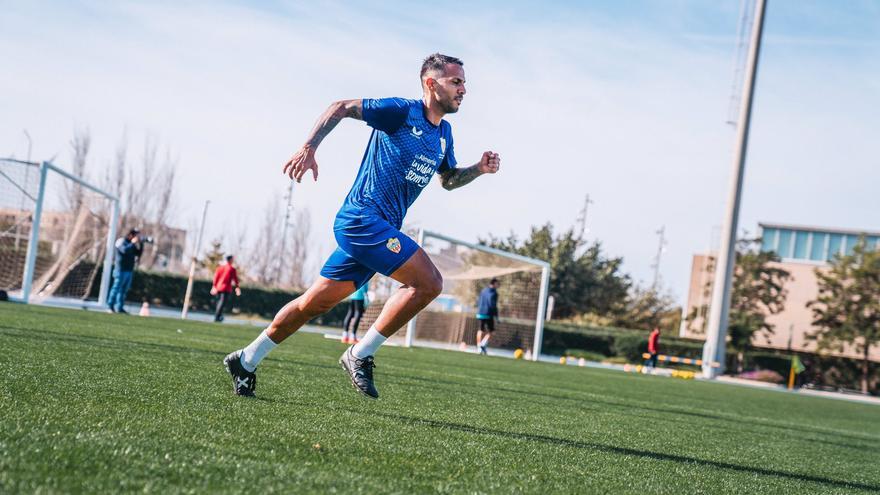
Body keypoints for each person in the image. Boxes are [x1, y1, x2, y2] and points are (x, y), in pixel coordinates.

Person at [224, 53, 500, 399]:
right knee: (429, 283)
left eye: (464, 82)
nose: (464, 89)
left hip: (376, 231)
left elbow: (447, 179)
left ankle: (246, 359)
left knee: (314, 304)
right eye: (456, 82)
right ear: (431, 84)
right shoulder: (400, 111)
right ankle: (360, 353)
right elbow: (340, 106)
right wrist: (309, 147)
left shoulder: (444, 133)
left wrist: (478, 169)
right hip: (361, 219)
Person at [107, 228, 143, 314]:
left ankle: (120, 307)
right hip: (120, 270)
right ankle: (110, 306)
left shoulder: (132, 244)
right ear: (130, 235)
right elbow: (124, 250)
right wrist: (132, 243)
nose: (136, 237)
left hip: (129, 270)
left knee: (123, 290)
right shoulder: (121, 241)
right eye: (135, 235)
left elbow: (138, 253)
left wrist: (141, 244)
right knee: (116, 288)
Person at [211, 255, 241, 322]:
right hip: (226, 288)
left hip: (218, 287)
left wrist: (214, 286)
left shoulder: (220, 267)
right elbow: (235, 279)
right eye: (232, 259)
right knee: (222, 303)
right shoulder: (231, 269)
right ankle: (217, 317)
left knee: (219, 302)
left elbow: (215, 277)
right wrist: (237, 287)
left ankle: (218, 316)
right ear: (230, 260)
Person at [475, 278, 500, 355]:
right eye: (497, 284)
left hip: (480, 312)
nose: (498, 285)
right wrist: (496, 316)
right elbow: (493, 305)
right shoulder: (495, 293)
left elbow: (478, 301)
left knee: (480, 330)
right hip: (488, 314)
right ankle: (483, 344)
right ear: (494, 283)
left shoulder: (483, 290)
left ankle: (479, 347)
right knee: (492, 331)